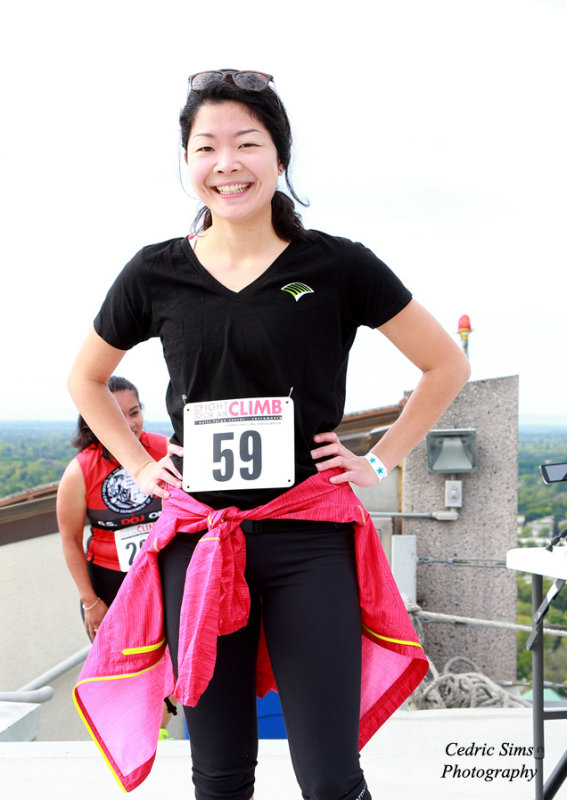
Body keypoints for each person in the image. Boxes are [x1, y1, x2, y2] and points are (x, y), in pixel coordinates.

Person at [68, 69, 470, 800]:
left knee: (328, 776)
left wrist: (378, 462)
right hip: (196, 543)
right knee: (218, 776)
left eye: (246, 143)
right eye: (206, 147)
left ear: (279, 157)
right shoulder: (155, 273)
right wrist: (140, 463)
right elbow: (85, 379)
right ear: (187, 164)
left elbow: (445, 364)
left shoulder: (338, 264)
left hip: (306, 541)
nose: (227, 163)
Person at [57, 375, 176, 738]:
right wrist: (90, 602)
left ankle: (159, 735)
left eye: (135, 412)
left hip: (166, 576)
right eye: (116, 414)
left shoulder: (167, 450)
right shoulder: (80, 471)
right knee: (126, 671)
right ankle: (133, 741)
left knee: (171, 665)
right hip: (111, 585)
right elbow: (70, 540)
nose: (129, 423)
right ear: (93, 417)